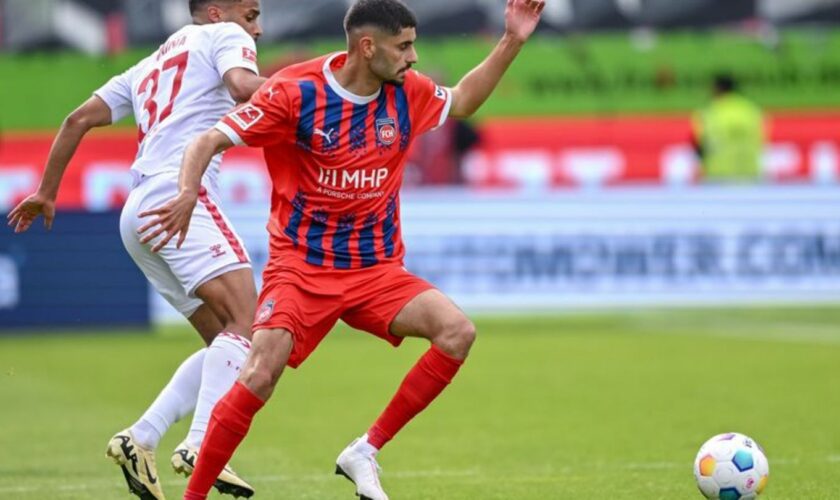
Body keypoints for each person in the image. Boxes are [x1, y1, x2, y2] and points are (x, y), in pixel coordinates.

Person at [140, 1, 545, 499]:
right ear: (367, 47)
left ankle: (364, 451)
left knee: (457, 332)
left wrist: (513, 40)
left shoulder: (407, 94)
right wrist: (186, 192)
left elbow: (462, 100)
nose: (414, 58)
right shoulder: (294, 93)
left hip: (376, 270)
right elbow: (206, 141)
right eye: (404, 47)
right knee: (260, 373)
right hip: (302, 269)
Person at [6, 1, 267, 498]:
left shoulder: (150, 63)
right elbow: (242, 87)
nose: (256, 27)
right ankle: (203, 444)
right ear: (216, 12)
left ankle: (141, 437)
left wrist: (46, 191)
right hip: (179, 196)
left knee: (225, 344)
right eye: (249, 14)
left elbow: (77, 118)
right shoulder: (223, 38)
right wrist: (313, 87)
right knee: (246, 325)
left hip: (137, 212)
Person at [691, 73, 765, 182]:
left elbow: (700, 147)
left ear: (717, 88)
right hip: (750, 174)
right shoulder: (752, 111)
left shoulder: (709, 113)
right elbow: (762, 141)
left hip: (719, 176)